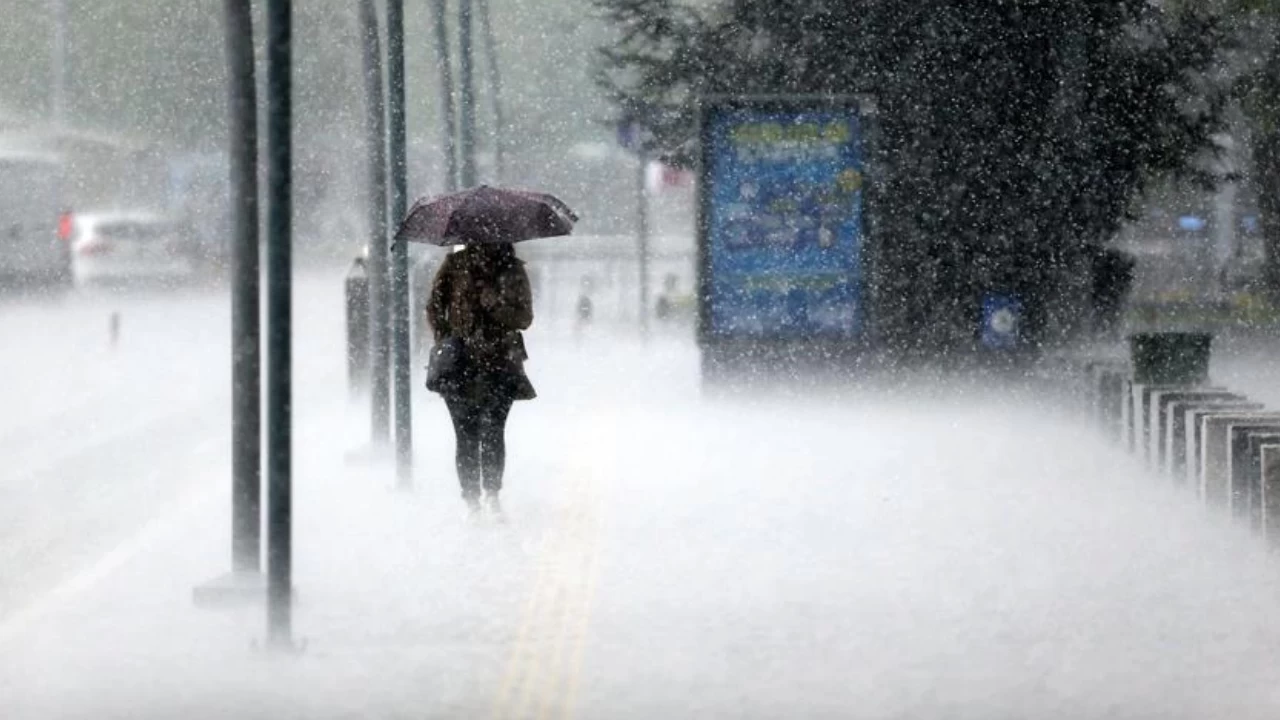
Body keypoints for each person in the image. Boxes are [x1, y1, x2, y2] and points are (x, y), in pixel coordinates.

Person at [426, 242, 536, 519]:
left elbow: (524, 318)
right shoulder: (455, 266)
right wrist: (447, 339)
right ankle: (472, 500)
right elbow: (434, 306)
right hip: (460, 365)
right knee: (466, 435)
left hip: (500, 362)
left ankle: (491, 494)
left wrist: (495, 304)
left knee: (493, 431)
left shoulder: (512, 269)